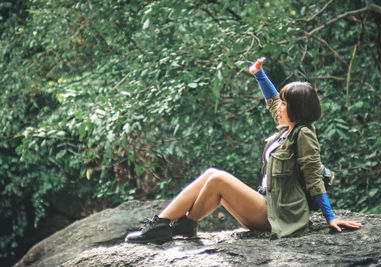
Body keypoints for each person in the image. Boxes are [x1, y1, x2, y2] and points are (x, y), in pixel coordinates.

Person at [125, 57, 362, 243]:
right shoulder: (286, 129)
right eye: (280, 102)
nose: (278, 107)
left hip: (278, 214)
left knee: (217, 178)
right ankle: (172, 224)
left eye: (284, 104)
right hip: (266, 202)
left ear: (297, 110)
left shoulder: (304, 134)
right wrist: (259, 75)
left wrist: (330, 218)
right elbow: (271, 102)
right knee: (210, 174)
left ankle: (166, 226)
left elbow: (313, 178)